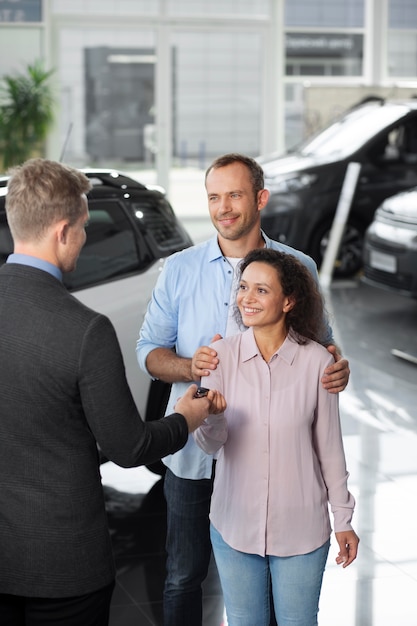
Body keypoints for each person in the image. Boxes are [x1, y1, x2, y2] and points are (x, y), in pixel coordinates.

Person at [0, 158, 225, 626]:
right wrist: (185, 416)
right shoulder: (84, 329)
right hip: (65, 568)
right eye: (83, 227)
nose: (84, 239)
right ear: (63, 232)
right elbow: (129, 448)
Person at [137, 153, 351, 625]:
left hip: (272, 458)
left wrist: (339, 367)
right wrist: (191, 365)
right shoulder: (179, 269)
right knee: (182, 577)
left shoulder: (299, 267)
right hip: (196, 450)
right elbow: (149, 352)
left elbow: (324, 347)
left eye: (234, 195)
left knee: (271, 589)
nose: (223, 207)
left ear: (260, 199)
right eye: (214, 197)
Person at [193, 248, 359, 626]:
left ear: (288, 300)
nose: (247, 299)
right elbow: (210, 445)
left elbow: (330, 448)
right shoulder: (219, 357)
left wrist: (343, 519)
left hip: (302, 528)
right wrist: (213, 417)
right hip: (234, 524)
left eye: (262, 290)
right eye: (244, 287)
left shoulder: (318, 362)